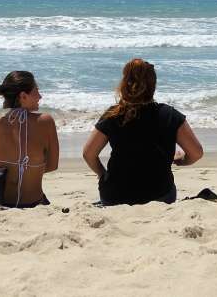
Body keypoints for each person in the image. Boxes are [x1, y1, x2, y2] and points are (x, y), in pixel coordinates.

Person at [82, 58, 203, 205]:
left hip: (115, 196)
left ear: (124, 83)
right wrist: (181, 160)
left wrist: (102, 174)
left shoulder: (114, 114)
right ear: (153, 85)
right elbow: (196, 153)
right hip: (159, 195)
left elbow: (88, 154)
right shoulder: (169, 115)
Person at [0, 71, 59, 208]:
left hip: (1, 203)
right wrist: (31, 172)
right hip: (33, 203)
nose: (40, 96)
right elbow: (53, 165)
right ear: (23, 96)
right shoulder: (46, 122)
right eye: (37, 91)